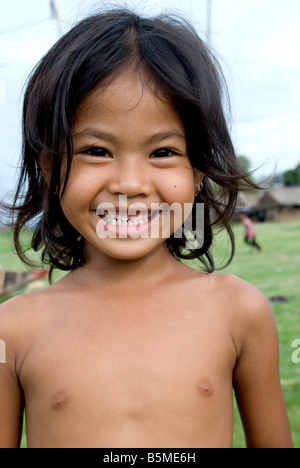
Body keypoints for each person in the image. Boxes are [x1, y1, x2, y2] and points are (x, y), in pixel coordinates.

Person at [0, 9, 292, 448]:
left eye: (163, 152)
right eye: (96, 150)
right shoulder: (12, 330)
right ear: (49, 167)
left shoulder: (240, 311)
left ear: (198, 171)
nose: (130, 184)